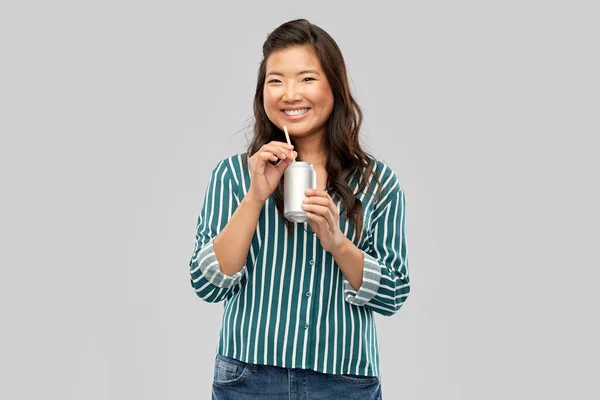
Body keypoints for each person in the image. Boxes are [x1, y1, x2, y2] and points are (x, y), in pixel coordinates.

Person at [189, 19, 410, 400]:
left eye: (306, 79)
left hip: (344, 381)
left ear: (334, 87)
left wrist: (337, 242)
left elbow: (393, 293)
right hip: (248, 376)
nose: (290, 94)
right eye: (276, 81)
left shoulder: (377, 182)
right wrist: (256, 196)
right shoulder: (232, 175)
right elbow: (207, 284)